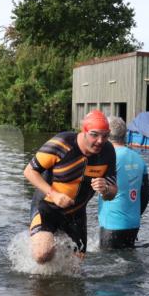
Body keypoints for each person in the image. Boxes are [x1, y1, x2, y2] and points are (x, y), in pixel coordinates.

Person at [24, 110, 117, 264]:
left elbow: (113, 192)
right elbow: (29, 171)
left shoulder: (108, 151)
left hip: (76, 214)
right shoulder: (61, 143)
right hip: (47, 208)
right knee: (42, 254)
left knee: (75, 269)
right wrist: (53, 194)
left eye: (105, 135)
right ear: (84, 131)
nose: (100, 140)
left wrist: (106, 188)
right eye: (94, 134)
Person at [98, 116, 149, 249]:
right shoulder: (139, 159)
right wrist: (133, 215)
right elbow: (146, 195)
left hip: (111, 224)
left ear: (107, 134)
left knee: (109, 266)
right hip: (133, 224)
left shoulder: (107, 158)